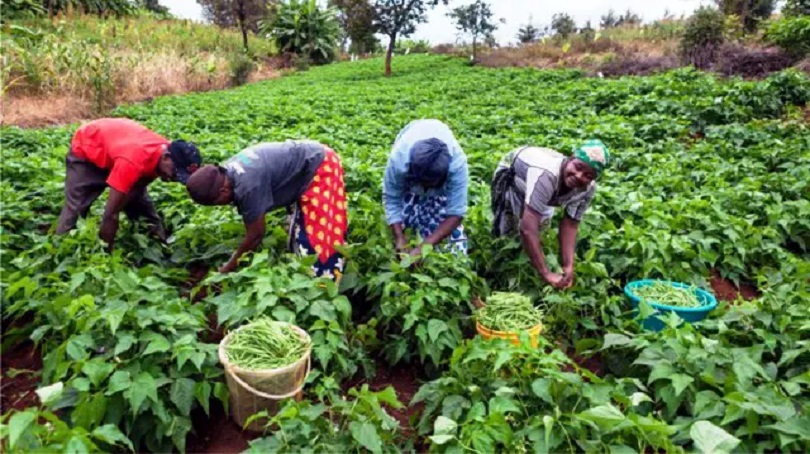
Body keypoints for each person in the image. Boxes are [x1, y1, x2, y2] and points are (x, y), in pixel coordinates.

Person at [185, 141, 347, 280]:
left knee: (319, 235)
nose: (223, 205)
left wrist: (229, 267)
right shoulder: (226, 173)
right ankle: (302, 270)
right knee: (298, 227)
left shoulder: (247, 187)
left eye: (218, 203)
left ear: (223, 192)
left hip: (320, 164)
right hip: (303, 164)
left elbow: (256, 235)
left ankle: (324, 285)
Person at [56, 118, 202, 251]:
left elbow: (137, 187)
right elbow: (110, 215)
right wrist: (107, 255)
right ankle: (62, 248)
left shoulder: (164, 157)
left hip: (118, 148)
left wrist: (129, 200)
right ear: (165, 158)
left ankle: (158, 248)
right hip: (89, 147)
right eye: (175, 173)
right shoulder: (134, 161)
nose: (174, 178)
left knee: (141, 206)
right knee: (77, 206)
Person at [491, 140, 610, 289]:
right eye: (577, 167)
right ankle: (503, 268)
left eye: (588, 175)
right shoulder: (546, 175)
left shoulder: (588, 189)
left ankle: (530, 260)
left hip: (547, 187)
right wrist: (546, 273)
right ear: (571, 158)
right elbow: (527, 229)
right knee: (507, 229)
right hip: (514, 174)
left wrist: (568, 265)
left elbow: (571, 223)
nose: (579, 176)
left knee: (539, 227)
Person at [383, 119, 468, 256]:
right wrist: (399, 237)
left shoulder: (457, 165)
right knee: (406, 222)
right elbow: (392, 197)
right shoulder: (399, 160)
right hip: (410, 164)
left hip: (440, 180)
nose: (426, 188)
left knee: (453, 248)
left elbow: (456, 213)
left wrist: (424, 247)